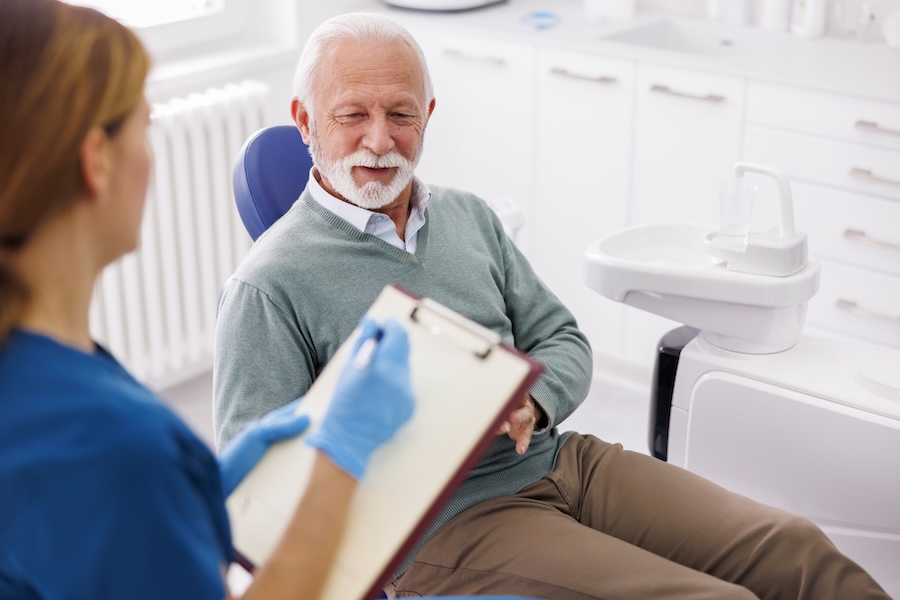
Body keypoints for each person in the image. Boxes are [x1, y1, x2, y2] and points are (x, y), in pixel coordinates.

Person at [212, 11, 891, 600]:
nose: (380, 141)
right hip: (447, 525)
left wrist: (533, 404)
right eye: (353, 115)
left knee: (794, 549)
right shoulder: (268, 285)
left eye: (401, 115)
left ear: (430, 117)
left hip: (562, 460)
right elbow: (262, 503)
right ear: (304, 120)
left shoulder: (466, 217)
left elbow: (562, 337)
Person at [0, 2, 422, 599]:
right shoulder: (106, 447)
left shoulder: (38, 366)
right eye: (144, 128)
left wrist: (199, 485)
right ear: (95, 160)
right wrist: (341, 456)